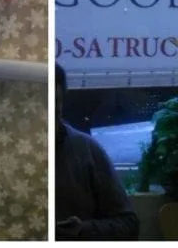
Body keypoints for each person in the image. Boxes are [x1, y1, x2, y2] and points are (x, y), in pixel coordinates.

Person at [55, 64, 139, 240]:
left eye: (55, 105)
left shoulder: (87, 150)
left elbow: (129, 225)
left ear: (62, 102)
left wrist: (83, 230)